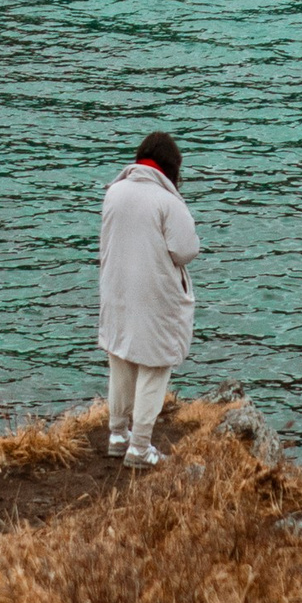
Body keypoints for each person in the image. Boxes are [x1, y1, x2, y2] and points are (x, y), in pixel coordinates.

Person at [98, 130, 198, 469]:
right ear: (172, 167)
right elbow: (185, 250)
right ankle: (140, 447)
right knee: (155, 365)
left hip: (117, 289)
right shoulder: (168, 202)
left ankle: (117, 434)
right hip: (154, 296)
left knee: (120, 358)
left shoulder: (114, 191)